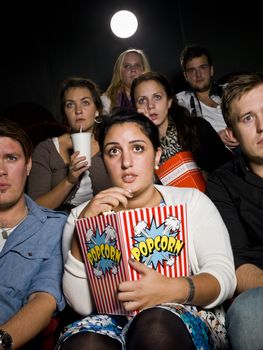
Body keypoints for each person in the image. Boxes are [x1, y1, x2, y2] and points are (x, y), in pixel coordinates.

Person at [55, 111, 236, 350]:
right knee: (84, 344)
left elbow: (223, 278)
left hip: (179, 314)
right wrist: (84, 232)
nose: (126, 162)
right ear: (104, 163)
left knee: (155, 327)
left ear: (157, 156)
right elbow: (81, 305)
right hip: (112, 320)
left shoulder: (191, 201)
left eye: (138, 148)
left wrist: (171, 289)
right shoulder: (82, 215)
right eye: (113, 151)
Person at [205, 73, 263, 349]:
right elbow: (236, 266)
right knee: (249, 315)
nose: (262, 126)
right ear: (231, 134)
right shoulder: (222, 182)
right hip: (260, 290)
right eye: (248, 118)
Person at [0, 117, 67, 349]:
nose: (1, 171)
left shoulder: (55, 228)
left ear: (28, 165)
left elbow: (44, 300)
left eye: (11, 158)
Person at [27, 77, 111, 213]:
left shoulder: (111, 144)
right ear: (65, 114)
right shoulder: (46, 150)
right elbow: (34, 208)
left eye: (85, 103)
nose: (78, 110)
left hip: (105, 223)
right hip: (58, 226)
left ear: (97, 111)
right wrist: (69, 180)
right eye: (70, 105)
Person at [130, 71, 234, 180]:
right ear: (135, 108)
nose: (150, 106)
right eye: (142, 100)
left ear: (169, 101)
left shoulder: (198, 129)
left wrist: (208, 178)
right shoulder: (134, 147)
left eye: (157, 97)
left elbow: (230, 170)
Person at [176, 45, 239, 150]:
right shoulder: (181, 101)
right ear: (186, 76)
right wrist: (215, 138)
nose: (198, 74)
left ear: (211, 70)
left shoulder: (230, 90)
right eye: (192, 70)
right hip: (216, 157)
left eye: (203, 67)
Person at [101, 48, 151, 114]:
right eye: (127, 66)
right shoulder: (106, 101)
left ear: (144, 69)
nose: (133, 69)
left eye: (137, 65)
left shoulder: (155, 97)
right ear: (119, 72)